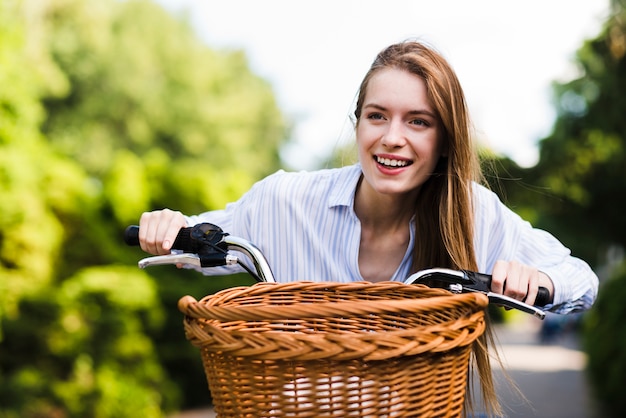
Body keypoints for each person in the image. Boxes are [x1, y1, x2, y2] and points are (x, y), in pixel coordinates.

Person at [137, 40, 598, 415]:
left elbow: (579, 278)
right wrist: (170, 226)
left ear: (444, 142)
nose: (391, 137)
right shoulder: (284, 201)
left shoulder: (472, 212)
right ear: (358, 125)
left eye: (418, 122)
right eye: (377, 116)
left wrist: (541, 280)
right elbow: (202, 237)